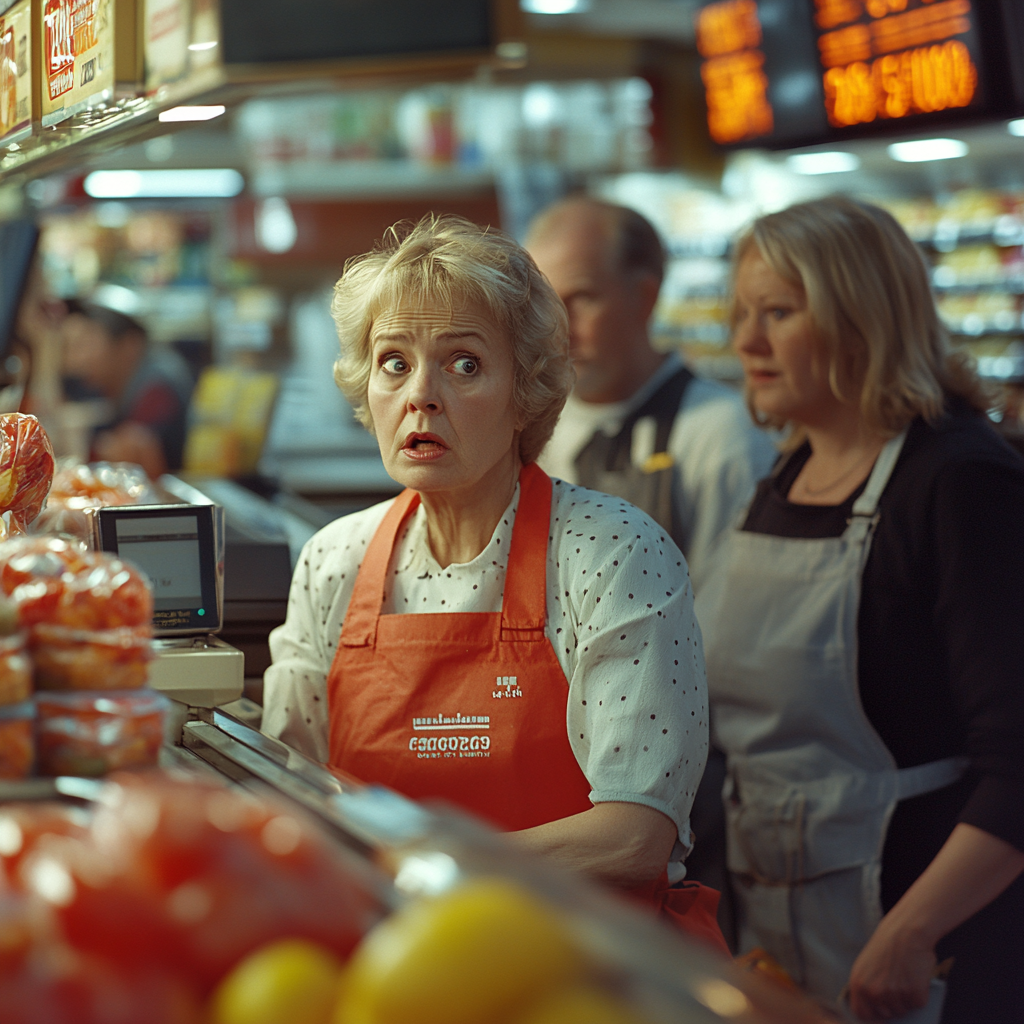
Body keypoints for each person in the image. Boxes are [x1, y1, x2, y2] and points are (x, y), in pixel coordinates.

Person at [261, 214, 727, 953]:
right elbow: (293, 793)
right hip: (393, 964)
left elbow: (635, 836)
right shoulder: (333, 561)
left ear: (526, 391)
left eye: (465, 364)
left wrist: (429, 868)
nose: (422, 395)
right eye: (393, 362)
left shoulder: (612, 554)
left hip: (583, 970)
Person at [697, 196, 1024, 1022]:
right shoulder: (782, 478)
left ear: (861, 318)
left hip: (925, 940)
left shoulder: (957, 482)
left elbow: (1020, 761)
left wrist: (914, 930)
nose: (747, 342)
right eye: (743, 313)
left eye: (778, 312)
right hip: (775, 920)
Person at [525, 197, 776, 596]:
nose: (560, 328)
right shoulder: (526, 426)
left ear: (645, 296)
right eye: (544, 303)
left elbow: (728, 617)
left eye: (583, 299)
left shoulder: (722, 435)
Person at [60, 299, 194, 478]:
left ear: (130, 344)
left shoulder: (157, 389)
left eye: (89, 344)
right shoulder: (110, 385)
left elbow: (132, 456)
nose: (78, 361)